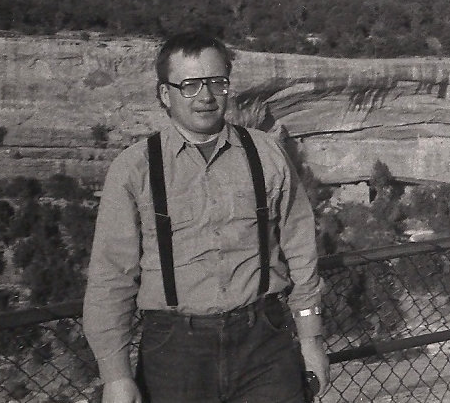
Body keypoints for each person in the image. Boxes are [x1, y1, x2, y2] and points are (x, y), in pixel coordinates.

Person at [84, 31, 330, 403]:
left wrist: (311, 338)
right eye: (190, 85)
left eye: (217, 82)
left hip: (263, 340)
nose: (206, 96)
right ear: (164, 94)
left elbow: (300, 247)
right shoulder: (135, 167)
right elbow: (110, 277)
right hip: (175, 352)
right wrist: (115, 375)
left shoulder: (266, 153)